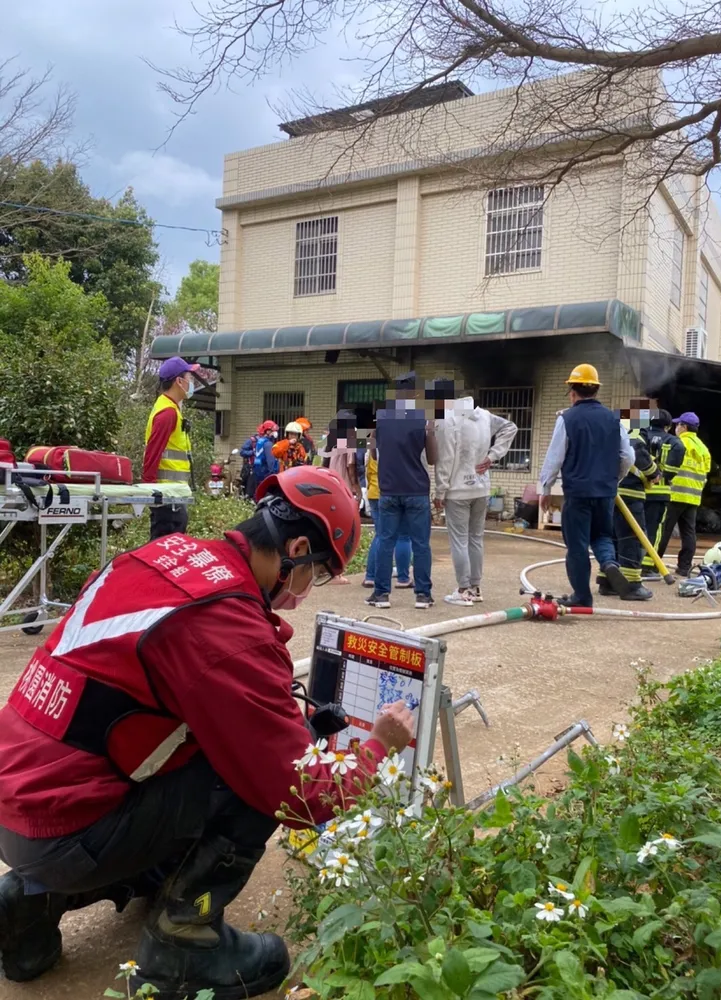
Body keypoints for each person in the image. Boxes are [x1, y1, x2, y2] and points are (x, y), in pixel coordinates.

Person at [0, 466, 415, 998]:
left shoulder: (157, 559)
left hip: (22, 806)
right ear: (294, 550)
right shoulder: (227, 626)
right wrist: (379, 744)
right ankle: (184, 940)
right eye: (320, 573)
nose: (309, 590)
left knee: (206, 747)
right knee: (254, 779)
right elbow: (302, 796)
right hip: (65, 831)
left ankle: (27, 902)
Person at [539, 363, 634, 608]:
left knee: (577, 545)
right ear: (595, 391)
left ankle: (582, 596)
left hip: (578, 493)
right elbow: (627, 457)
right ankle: (610, 564)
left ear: (573, 392)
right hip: (605, 492)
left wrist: (545, 489)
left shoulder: (567, 419)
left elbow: (554, 457)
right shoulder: (615, 420)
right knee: (602, 535)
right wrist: (615, 479)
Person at [434, 394, 518, 605]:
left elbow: (446, 458)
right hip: (481, 487)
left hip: (457, 489)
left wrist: (440, 492)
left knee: (459, 541)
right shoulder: (485, 416)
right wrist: (493, 455)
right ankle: (476, 588)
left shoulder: (449, 418)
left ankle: (463, 590)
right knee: (475, 539)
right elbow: (511, 427)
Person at [367, 373, 439, 611]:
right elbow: (432, 458)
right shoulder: (423, 418)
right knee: (421, 544)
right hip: (416, 490)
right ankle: (422, 595)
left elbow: (374, 454)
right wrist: (430, 433)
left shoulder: (382, 418)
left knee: (386, 541)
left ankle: (381, 594)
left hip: (388, 489)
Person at [597, 400, 659, 601]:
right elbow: (638, 453)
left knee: (613, 536)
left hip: (611, 492)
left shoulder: (611, 430)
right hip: (630, 493)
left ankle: (607, 581)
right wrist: (654, 473)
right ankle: (632, 585)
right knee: (632, 539)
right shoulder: (633, 431)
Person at [143, 357, 200, 541]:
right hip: (168, 498)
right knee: (163, 552)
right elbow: (153, 453)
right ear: (179, 381)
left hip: (173, 495)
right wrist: (151, 492)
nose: (191, 383)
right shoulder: (167, 413)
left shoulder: (170, 408)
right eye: (189, 378)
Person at [653, 412, 711, 576]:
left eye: (678, 425)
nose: (675, 428)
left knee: (663, 530)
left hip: (674, 494)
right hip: (693, 497)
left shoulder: (678, 443)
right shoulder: (703, 448)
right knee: (688, 532)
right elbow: (706, 472)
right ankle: (684, 567)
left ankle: (654, 565)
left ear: (683, 427)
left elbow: (667, 465)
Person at [364, 432, 413, 589]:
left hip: (374, 493)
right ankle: (403, 578)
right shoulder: (400, 447)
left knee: (380, 536)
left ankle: (370, 576)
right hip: (395, 492)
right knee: (403, 537)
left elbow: (368, 473)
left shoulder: (371, 448)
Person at [640, 409, 685, 577]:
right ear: (668, 426)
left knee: (633, 527)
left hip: (636, 491)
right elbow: (672, 471)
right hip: (659, 493)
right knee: (654, 529)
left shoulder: (639, 437)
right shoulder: (674, 442)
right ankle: (648, 565)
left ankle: (630, 561)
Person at [321, 411, 361, 501]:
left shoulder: (330, 443)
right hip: (344, 487)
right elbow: (351, 467)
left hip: (332, 484)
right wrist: (355, 485)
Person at [253, 420, 280, 491]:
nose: (275, 433)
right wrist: (274, 474)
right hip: (266, 474)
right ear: (268, 431)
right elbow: (271, 462)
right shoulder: (268, 444)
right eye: (273, 431)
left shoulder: (260, 441)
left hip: (258, 472)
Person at [239, 429, 259, 500]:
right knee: (248, 488)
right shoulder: (251, 441)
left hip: (259, 469)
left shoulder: (266, 441)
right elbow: (242, 452)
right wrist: (253, 452)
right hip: (250, 468)